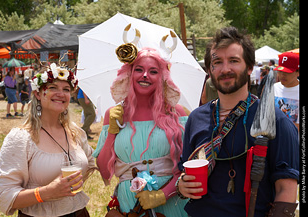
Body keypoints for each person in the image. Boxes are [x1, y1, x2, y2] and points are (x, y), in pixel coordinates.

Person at [177, 27, 299, 217]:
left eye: (234, 61)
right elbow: (184, 170)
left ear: (250, 67)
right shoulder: (196, 118)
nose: (225, 69)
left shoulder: (275, 120)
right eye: (217, 62)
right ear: (210, 70)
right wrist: (182, 185)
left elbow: (286, 189)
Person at [93, 32, 189, 215]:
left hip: (172, 204)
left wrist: (162, 195)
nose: (145, 75)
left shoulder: (177, 113)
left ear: (162, 77)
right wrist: (113, 131)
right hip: (130, 205)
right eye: (139, 69)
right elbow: (105, 173)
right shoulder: (112, 115)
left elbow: (186, 167)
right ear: (129, 73)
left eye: (153, 71)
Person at [0, 63, 96, 217]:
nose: (61, 94)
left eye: (66, 89)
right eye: (53, 87)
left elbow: (91, 161)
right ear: (38, 94)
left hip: (79, 213)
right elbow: (5, 195)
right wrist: (46, 193)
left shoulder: (75, 132)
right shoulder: (22, 138)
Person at [274, 52, 299, 131]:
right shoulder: (273, 88)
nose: (282, 75)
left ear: (298, 73)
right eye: (280, 71)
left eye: (287, 72)